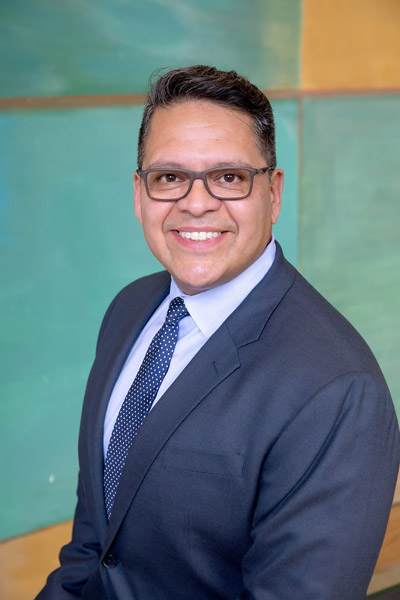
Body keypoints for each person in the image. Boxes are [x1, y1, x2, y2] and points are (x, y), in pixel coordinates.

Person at [37, 65, 400, 600]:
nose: (197, 202)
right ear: (139, 195)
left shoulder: (340, 391)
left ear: (273, 194)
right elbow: (94, 546)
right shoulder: (129, 310)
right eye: (169, 177)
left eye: (229, 177)